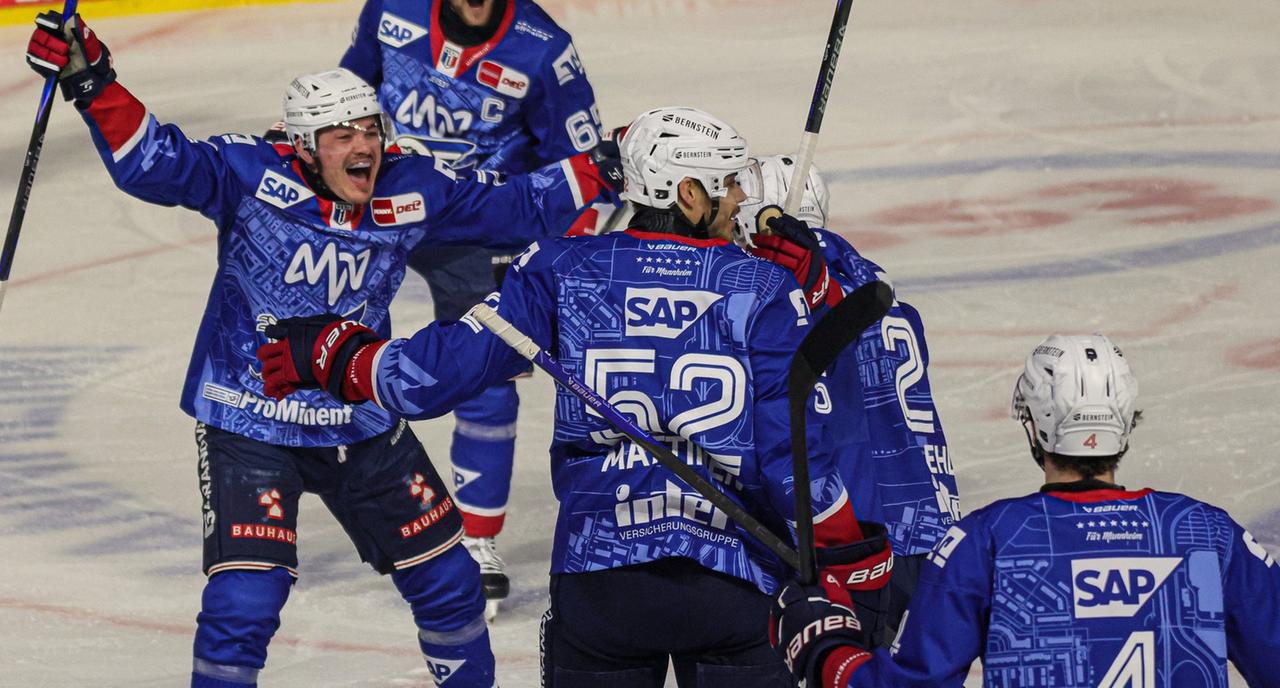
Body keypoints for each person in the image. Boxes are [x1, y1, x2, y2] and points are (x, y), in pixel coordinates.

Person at [25, 11, 618, 688]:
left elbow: (514, 206)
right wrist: (92, 79)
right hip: (251, 421)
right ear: (304, 145)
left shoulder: (412, 187)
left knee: (451, 584)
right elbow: (156, 162)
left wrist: (601, 167)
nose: (364, 146)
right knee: (243, 607)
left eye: (372, 130)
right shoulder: (248, 172)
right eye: (343, 135)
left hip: (359, 420)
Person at [258, 106, 893, 687]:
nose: (739, 201)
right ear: (688, 193)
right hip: (735, 584)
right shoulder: (762, 285)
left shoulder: (562, 267)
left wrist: (332, 352)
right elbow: (793, 459)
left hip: (601, 583)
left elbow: (433, 377)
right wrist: (847, 552)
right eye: (727, 185)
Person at [769, 333, 1280, 687]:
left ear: (1034, 428)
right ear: (1126, 422)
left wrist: (824, 647)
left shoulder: (986, 541)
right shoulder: (1207, 534)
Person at [340, 0, 612, 615]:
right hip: (383, 202)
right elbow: (350, 89)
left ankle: (476, 542)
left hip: (479, 225)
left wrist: (556, 255)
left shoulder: (543, 48)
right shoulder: (394, 1)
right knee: (328, 346)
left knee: (487, 366)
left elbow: (584, 168)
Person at [737, 155, 959, 644]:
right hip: (929, 525)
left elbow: (821, 361)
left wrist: (807, 294)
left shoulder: (803, 283)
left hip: (864, 541)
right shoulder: (871, 279)